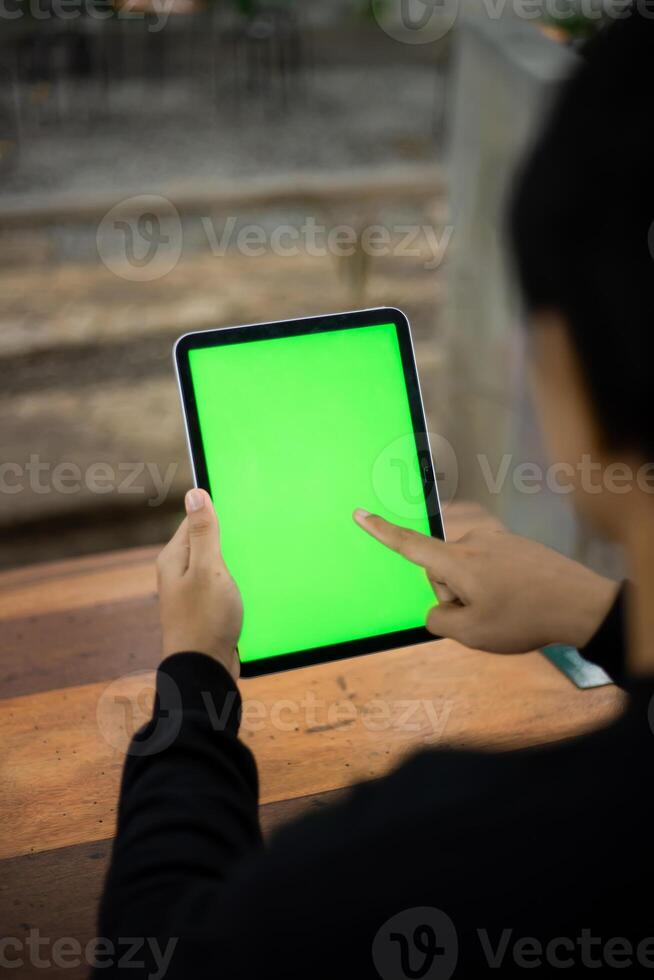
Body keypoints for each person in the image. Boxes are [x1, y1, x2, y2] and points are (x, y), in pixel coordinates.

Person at [96, 12, 654, 977]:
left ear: (565, 376)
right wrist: (600, 617)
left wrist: (195, 675)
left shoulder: (424, 867)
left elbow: (158, 953)